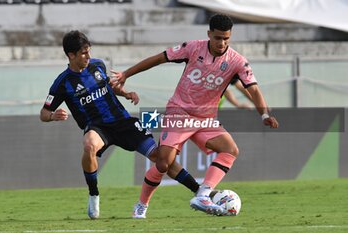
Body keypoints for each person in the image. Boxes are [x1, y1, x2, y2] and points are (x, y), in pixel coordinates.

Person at [111, 14, 279, 218]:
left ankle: (204, 194)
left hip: (205, 119)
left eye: (226, 38)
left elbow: (253, 89)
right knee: (163, 163)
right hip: (179, 113)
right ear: (209, 34)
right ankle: (141, 205)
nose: (222, 42)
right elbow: (159, 58)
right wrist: (126, 74)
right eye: (218, 38)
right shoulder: (192, 48)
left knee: (230, 150)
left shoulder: (237, 61)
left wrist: (264, 114)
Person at [39, 30, 200, 220]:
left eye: (89, 51)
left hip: (122, 122)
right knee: (89, 144)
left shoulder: (97, 65)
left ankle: (199, 192)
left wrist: (126, 93)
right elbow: (43, 113)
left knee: (160, 158)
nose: (88, 56)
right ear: (71, 55)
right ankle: (94, 194)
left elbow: (108, 87)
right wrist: (53, 116)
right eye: (84, 53)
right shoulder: (62, 83)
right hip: (98, 127)